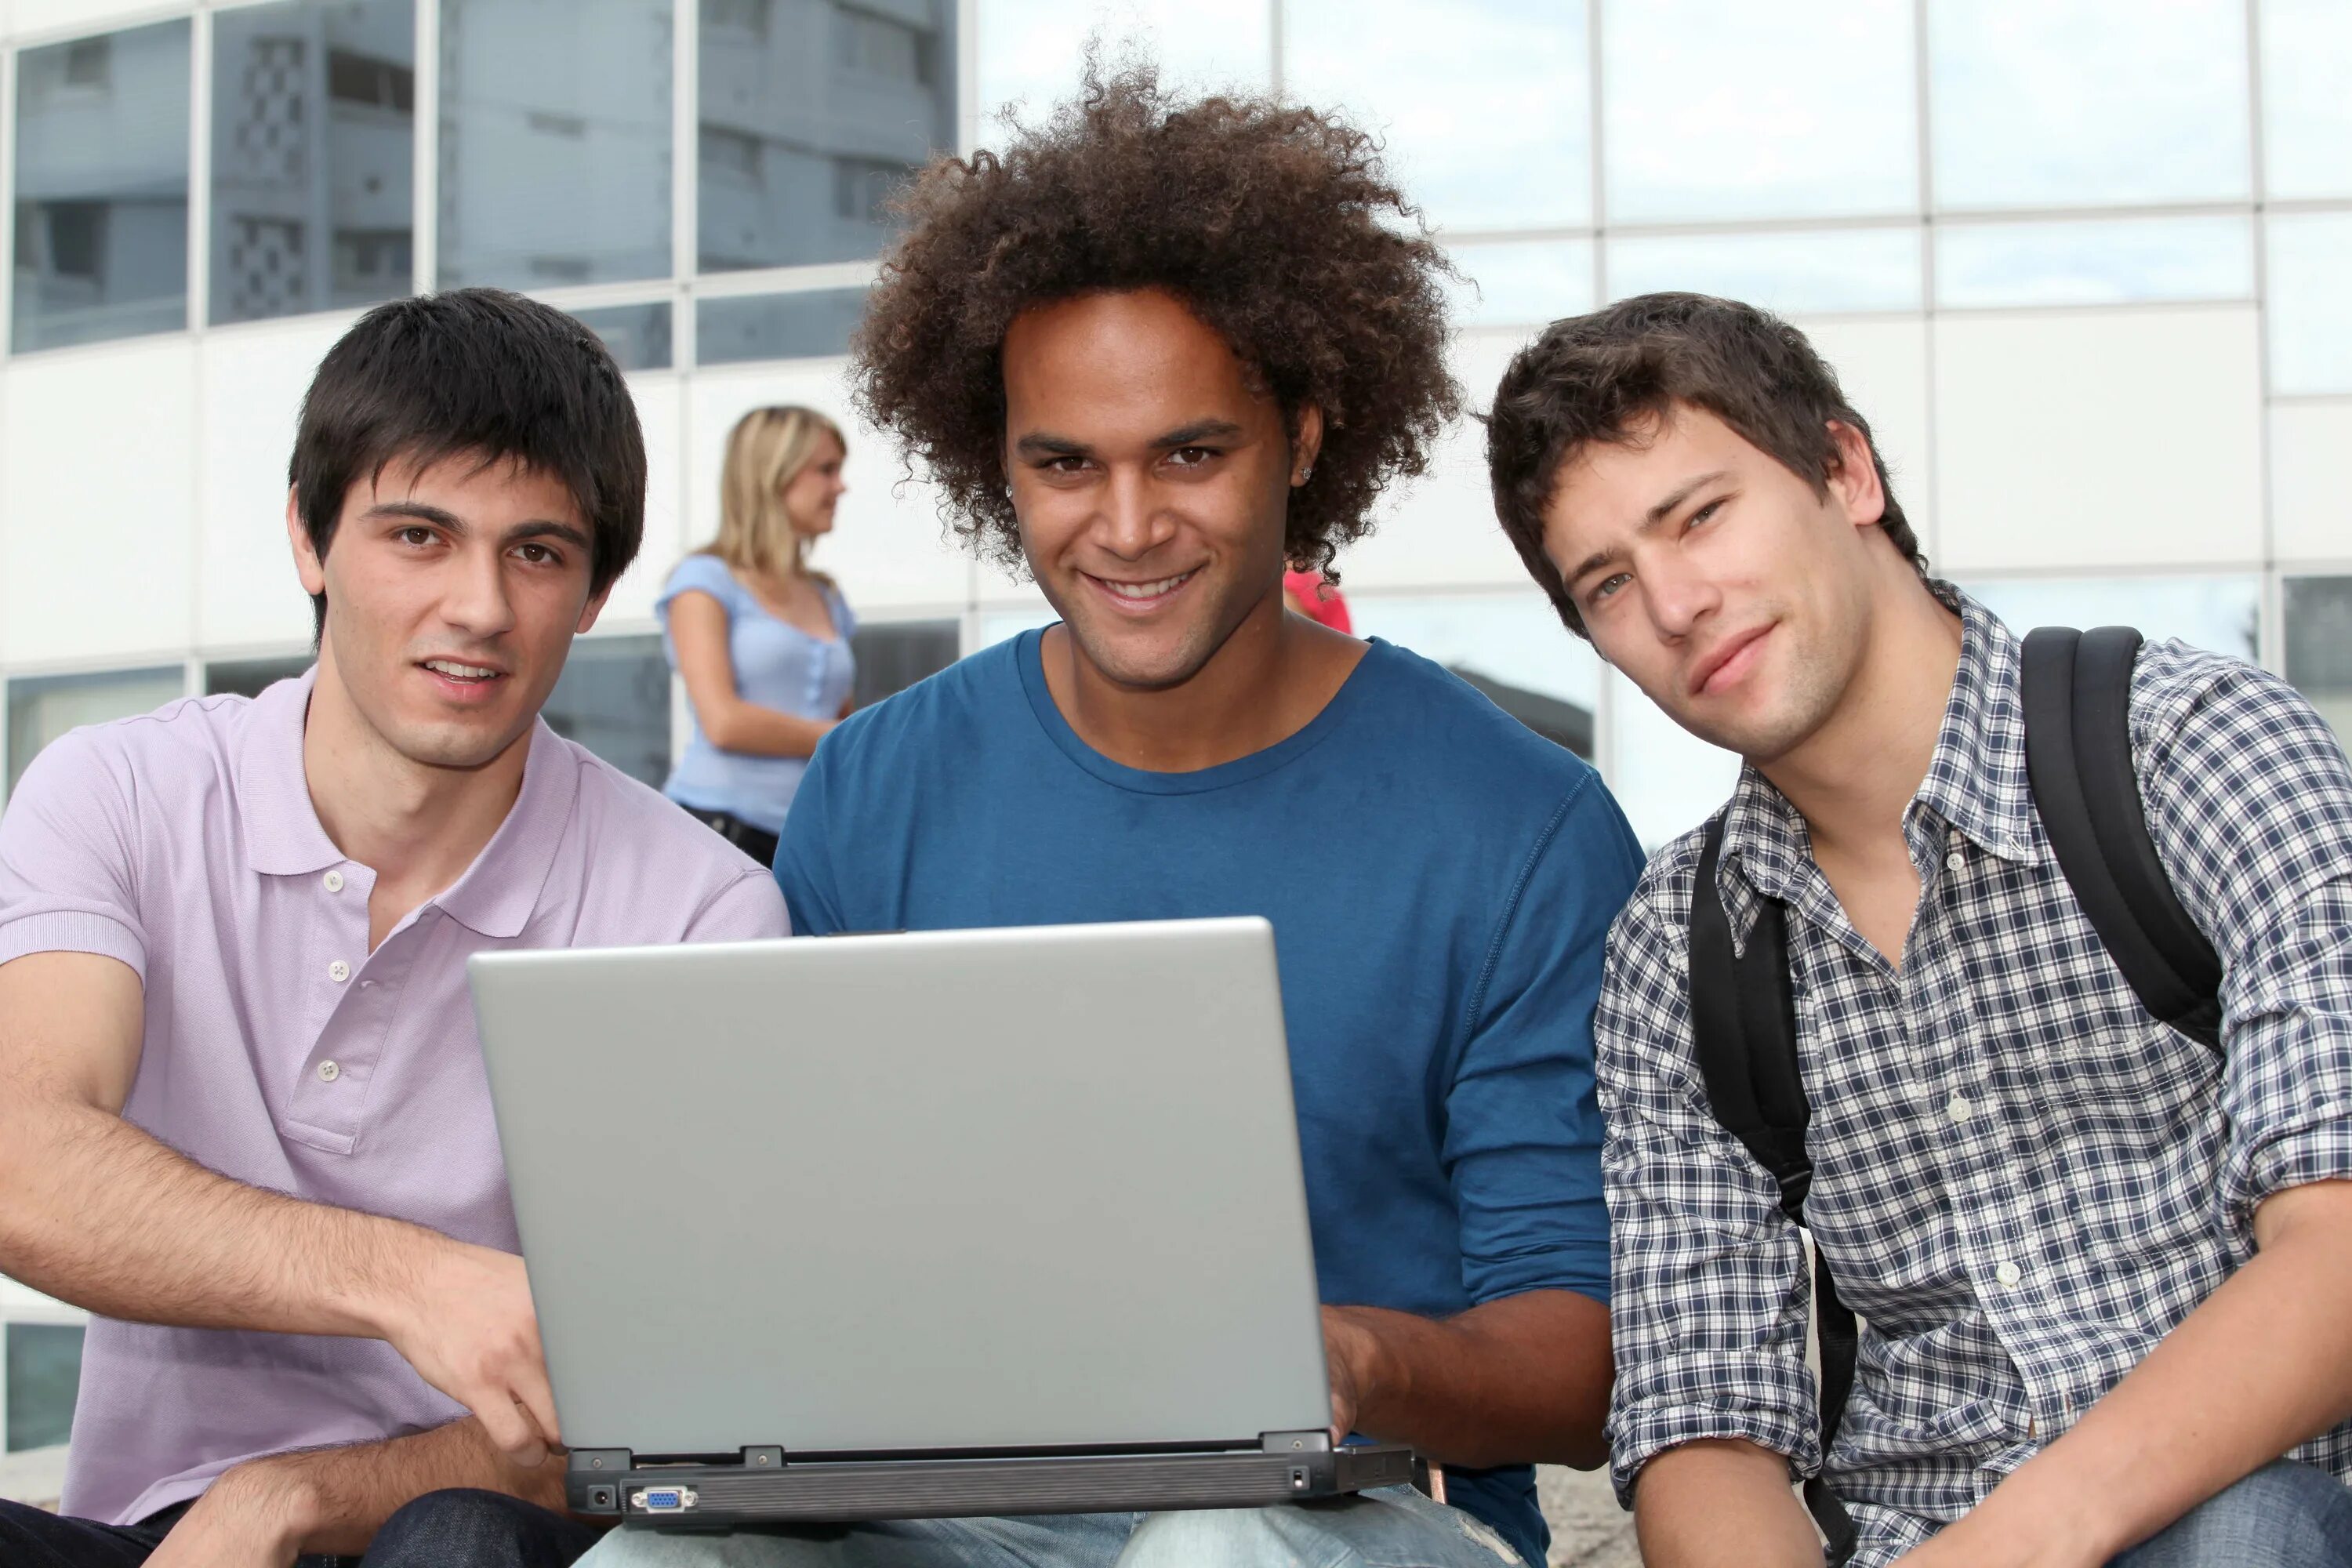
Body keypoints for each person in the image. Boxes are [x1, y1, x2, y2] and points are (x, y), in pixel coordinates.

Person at [581, 62, 1642, 1568]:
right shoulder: (877, 785)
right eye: (1063, 464)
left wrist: (1350, 1364)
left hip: (1355, 1517)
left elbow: (1586, 1364)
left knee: (1211, 1551)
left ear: (1310, 435)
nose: (1127, 527)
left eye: (1191, 454)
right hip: (946, 1514)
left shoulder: (1520, 826)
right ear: (991, 462)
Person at [1483, 291, 2352, 1567]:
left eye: (1701, 515)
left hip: (2264, 1518)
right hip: (1908, 1537)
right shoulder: (1678, 949)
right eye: (1609, 582)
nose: (1673, 604)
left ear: (1846, 472)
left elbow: (2337, 1249)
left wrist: (2017, 1542)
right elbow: (1705, 1429)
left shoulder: (2189, 750)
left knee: (2244, 1531)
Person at [0, 289, 789, 1568]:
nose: (479, 605)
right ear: (311, 542)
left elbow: (676, 1392)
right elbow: (22, 1159)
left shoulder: (699, 912)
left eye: (537, 552)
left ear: (591, 594)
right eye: (419, 535)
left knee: (454, 1542)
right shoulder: (121, 794)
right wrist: (419, 1283)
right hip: (147, 1536)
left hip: (471, 1524)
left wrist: (296, 1494)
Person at [661, 406, 858, 866]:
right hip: (719, 829)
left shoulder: (828, 597)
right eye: (826, 470)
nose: (840, 486)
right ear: (775, 474)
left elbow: (843, 723)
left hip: (809, 836)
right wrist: (844, 737)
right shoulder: (704, 581)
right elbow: (724, 722)